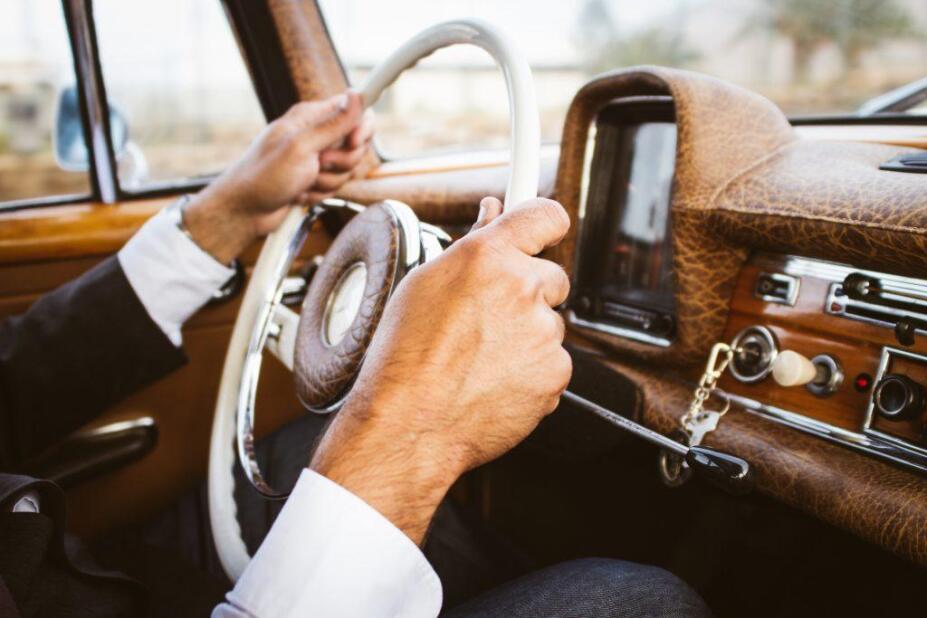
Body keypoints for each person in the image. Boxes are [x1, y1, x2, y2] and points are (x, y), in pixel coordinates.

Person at [0, 90, 711, 617]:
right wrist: (410, 423)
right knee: (640, 602)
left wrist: (228, 215)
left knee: (303, 448)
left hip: (66, 572)